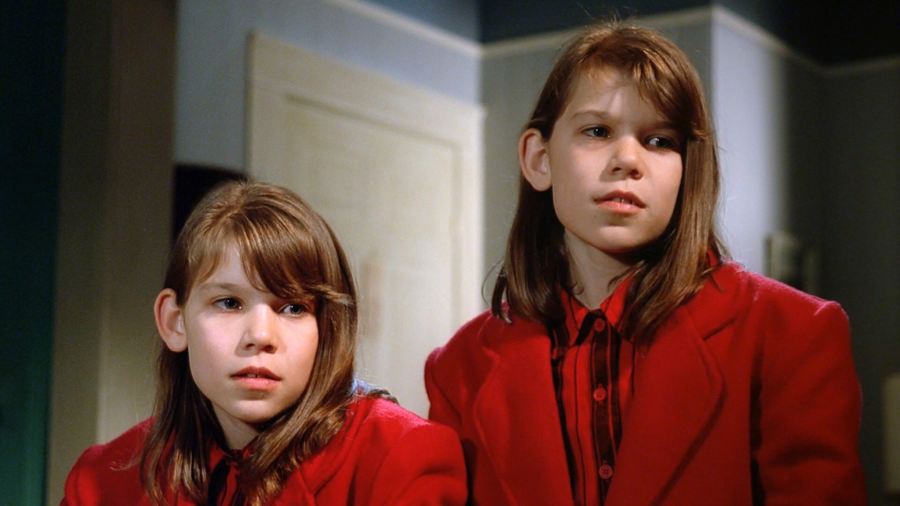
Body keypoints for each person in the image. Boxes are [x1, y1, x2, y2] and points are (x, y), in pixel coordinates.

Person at [425, 22, 866, 505]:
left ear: (687, 170)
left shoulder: (792, 332)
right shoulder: (461, 367)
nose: (628, 160)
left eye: (659, 141)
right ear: (539, 158)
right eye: (597, 131)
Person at [63, 181, 467, 505]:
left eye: (292, 308)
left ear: (327, 329)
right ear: (174, 322)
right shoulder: (102, 480)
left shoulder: (399, 458)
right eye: (229, 303)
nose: (260, 336)